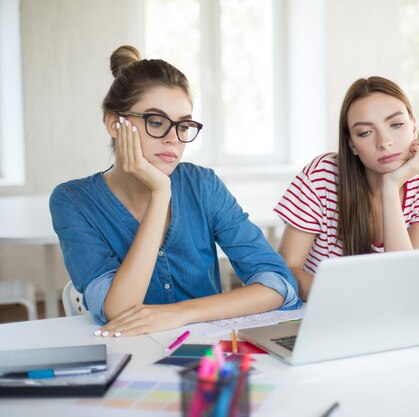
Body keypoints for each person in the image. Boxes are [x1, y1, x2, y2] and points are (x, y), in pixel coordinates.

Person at [49, 45, 301, 337]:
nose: (173, 138)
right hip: (129, 353)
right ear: (114, 124)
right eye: (156, 122)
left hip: (207, 355)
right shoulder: (73, 201)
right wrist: (160, 193)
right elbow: (117, 310)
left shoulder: (202, 184)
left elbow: (278, 284)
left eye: (183, 125)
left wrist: (180, 314)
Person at [274, 76, 419, 301]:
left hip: (391, 315)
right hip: (324, 310)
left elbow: (407, 282)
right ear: (351, 144)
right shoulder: (322, 174)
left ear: (413, 126)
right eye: (365, 132)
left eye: (396, 124)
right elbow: (289, 268)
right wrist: (352, 301)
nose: (384, 142)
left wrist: (391, 186)